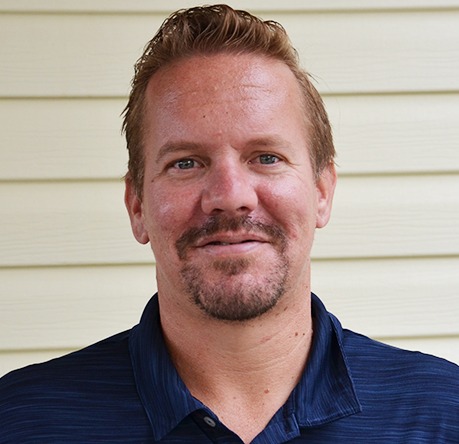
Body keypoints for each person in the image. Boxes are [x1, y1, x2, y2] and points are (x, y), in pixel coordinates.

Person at [0, 4, 458, 443]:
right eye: (186, 163)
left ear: (322, 191)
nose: (230, 196)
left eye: (266, 157)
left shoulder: (443, 412)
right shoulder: (22, 421)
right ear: (136, 204)